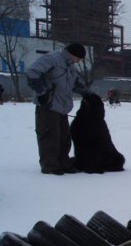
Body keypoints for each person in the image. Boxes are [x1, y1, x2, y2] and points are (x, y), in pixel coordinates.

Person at [26, 42, 89, 175]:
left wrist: (87, 93)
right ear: (72, 54)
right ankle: (50, 166)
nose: (78, 62)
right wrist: (42, 92)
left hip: (63, 107)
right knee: (50, 138)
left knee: (64, 139)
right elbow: (32, 72)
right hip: (48, 105)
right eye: (79, 58)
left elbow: (75, 83)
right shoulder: (52, 58)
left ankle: (64, 164)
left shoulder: (70, 66)